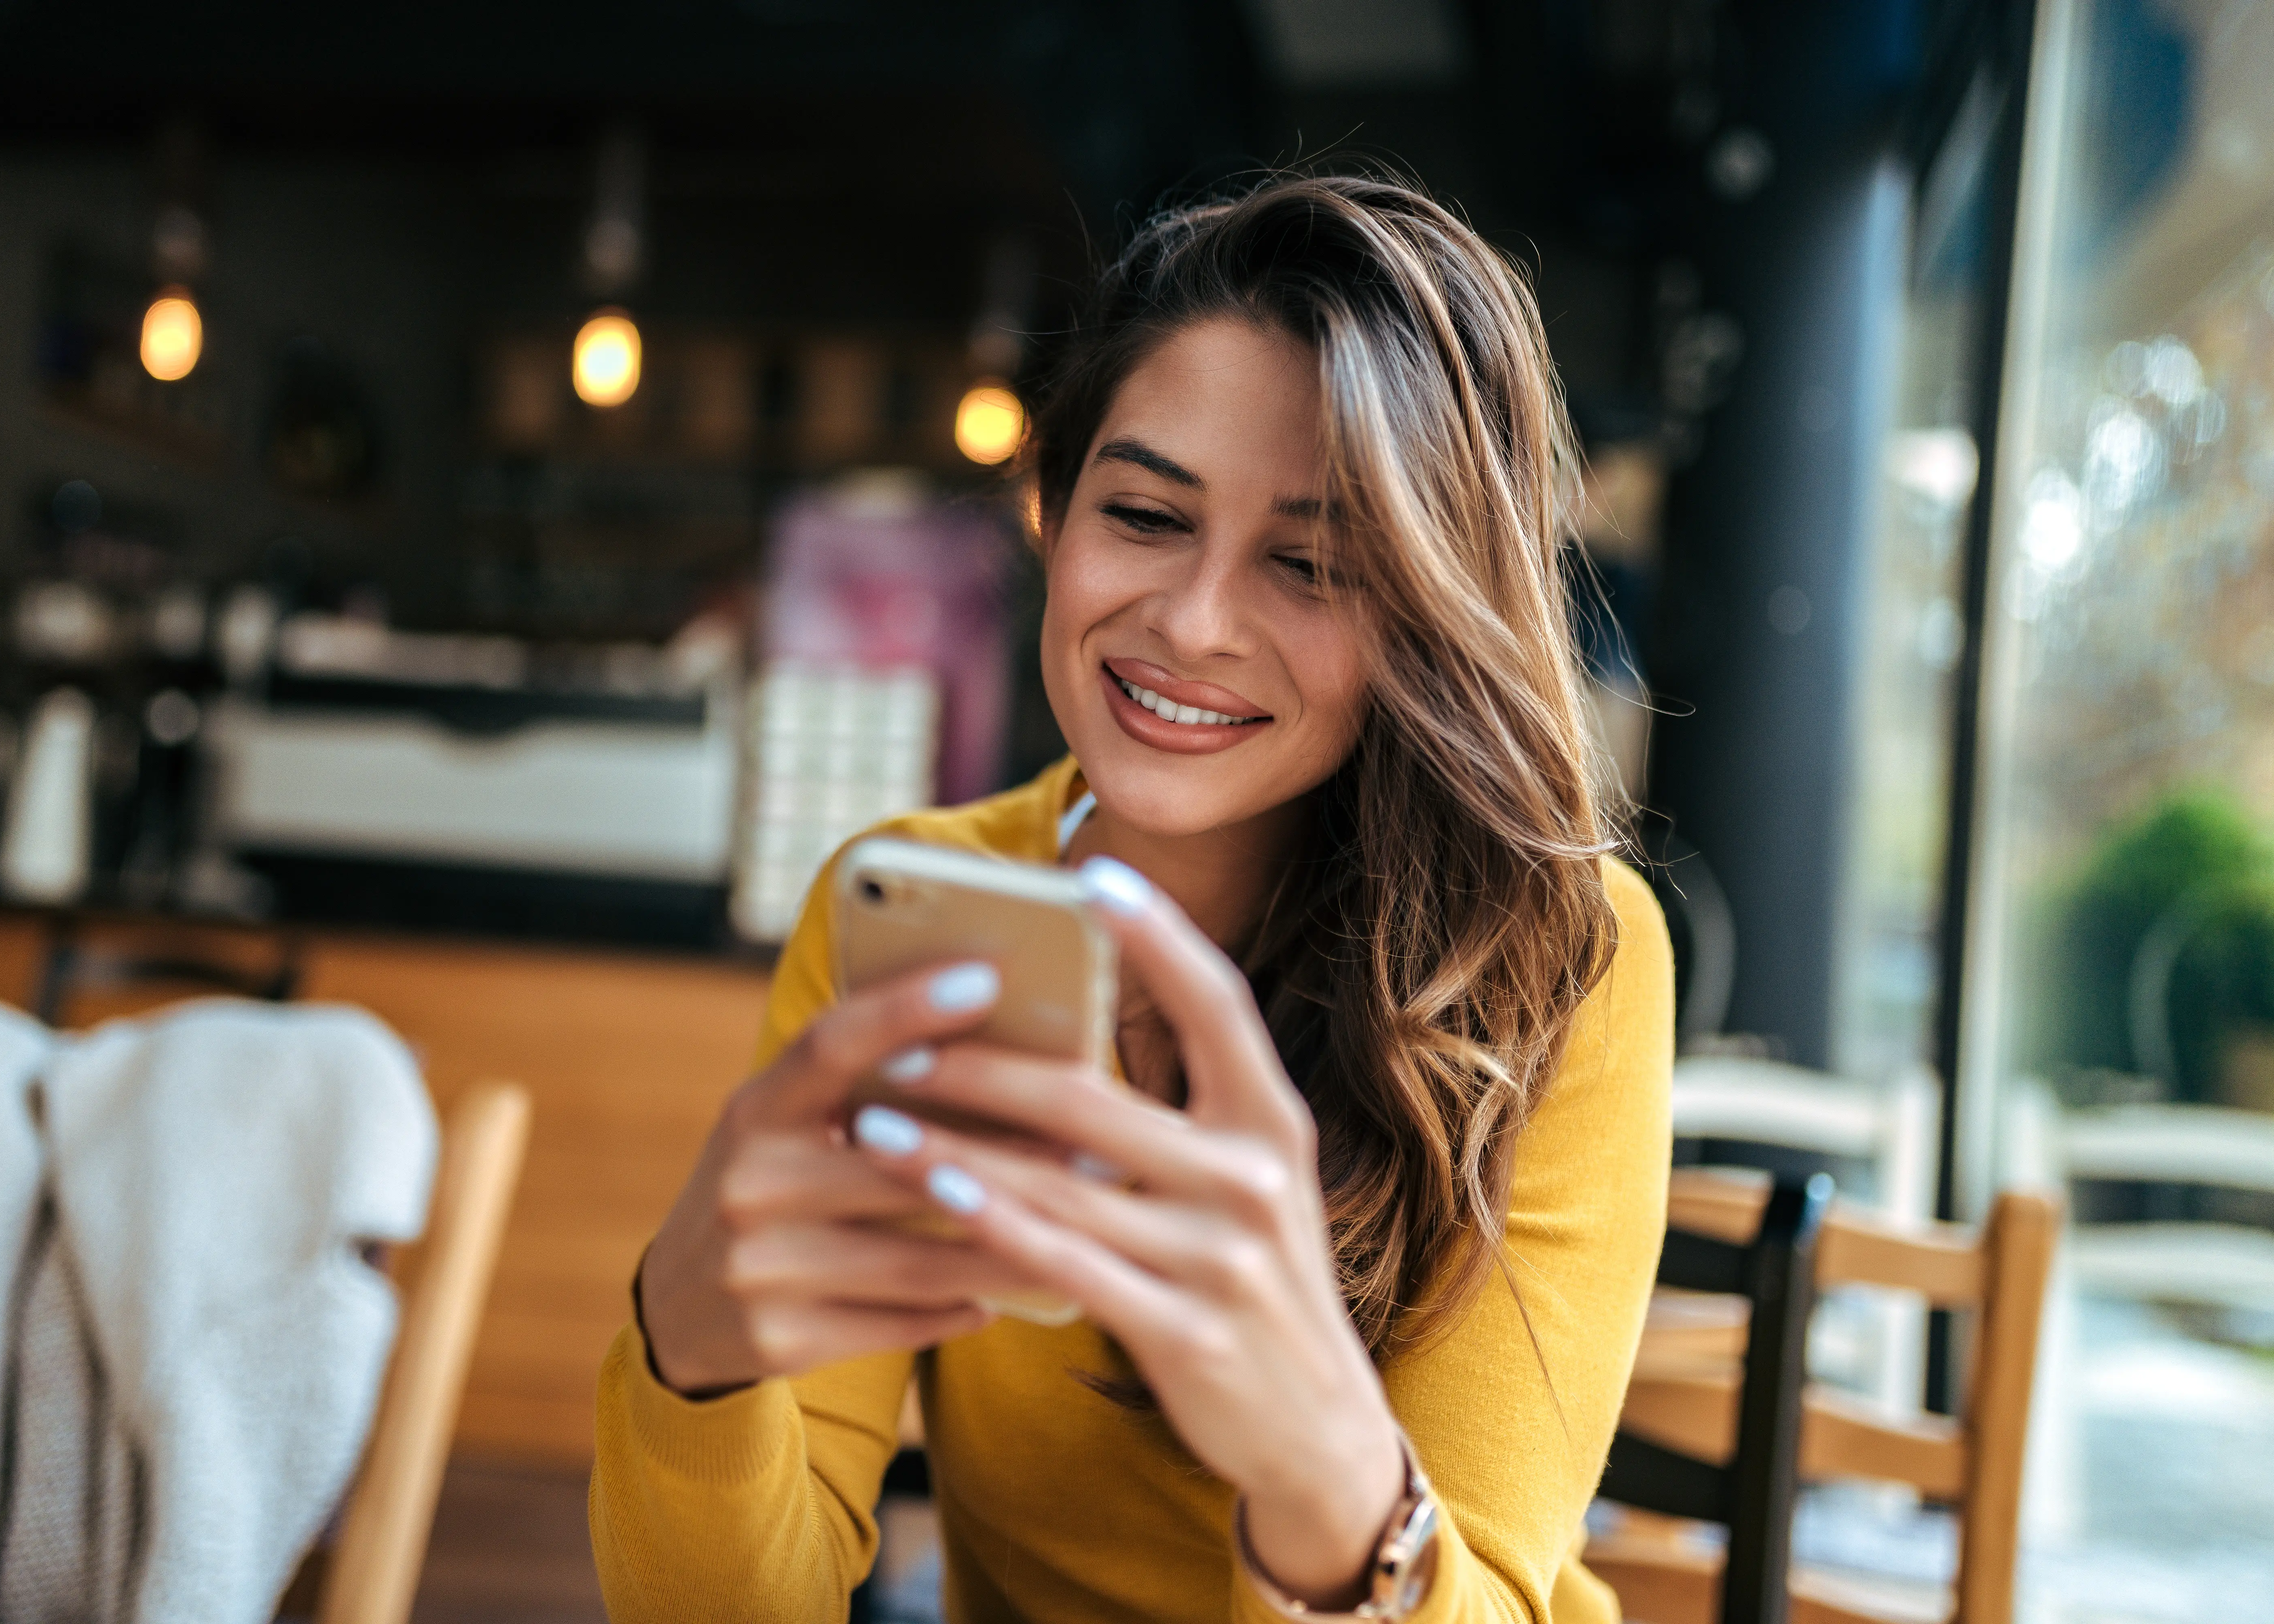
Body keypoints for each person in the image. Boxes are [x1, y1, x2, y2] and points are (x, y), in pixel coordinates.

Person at [592, 172, 1673, 1623]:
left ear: (1425, 612)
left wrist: (1326, 1472)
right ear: (1055, 510)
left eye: (1309, 563)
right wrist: (690, 1349)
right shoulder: (926, 905)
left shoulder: (1562, 965)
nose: (1193, 622)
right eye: (1148, 516)